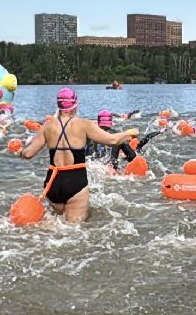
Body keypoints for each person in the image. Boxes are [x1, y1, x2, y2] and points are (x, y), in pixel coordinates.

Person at [18, 88, 137, 223]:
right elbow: (113, 140)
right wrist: (130, 132)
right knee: (74, 229)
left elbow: (28, 154)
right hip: (75, 183)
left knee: (57, 224)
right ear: (75, 105)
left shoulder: (47, 126)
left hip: (52, 184)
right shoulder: (84, 124)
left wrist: (19, 151)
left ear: (59, 105)